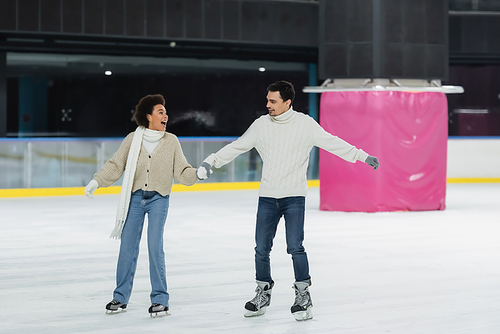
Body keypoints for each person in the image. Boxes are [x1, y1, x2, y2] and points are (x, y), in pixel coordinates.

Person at [199, 80, 379, 321]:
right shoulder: (261, 125)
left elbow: (332, 142)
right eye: (267, 100)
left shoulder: (304, 124)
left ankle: (303, 296)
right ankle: (262, 292)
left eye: (273, 101)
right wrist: (212, 161)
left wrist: (362, 156)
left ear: (287, 103)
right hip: (267, 197)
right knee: (261, 248)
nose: (268, 105)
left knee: (295, 247)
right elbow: (237, 146)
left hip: (294, 196)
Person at [84, 94, 211, 317]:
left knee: (154, 247)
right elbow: (116, 165)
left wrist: (197, 174)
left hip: (158, 199)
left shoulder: (171, 140)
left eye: (166, 112)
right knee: (127, 247)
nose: (166, 115)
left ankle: (160, 299)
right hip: (134, 199)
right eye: (160, 112)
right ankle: (120, 297)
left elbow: (181, 171)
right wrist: (97, 181)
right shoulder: (132, 140)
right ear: (148, 116)